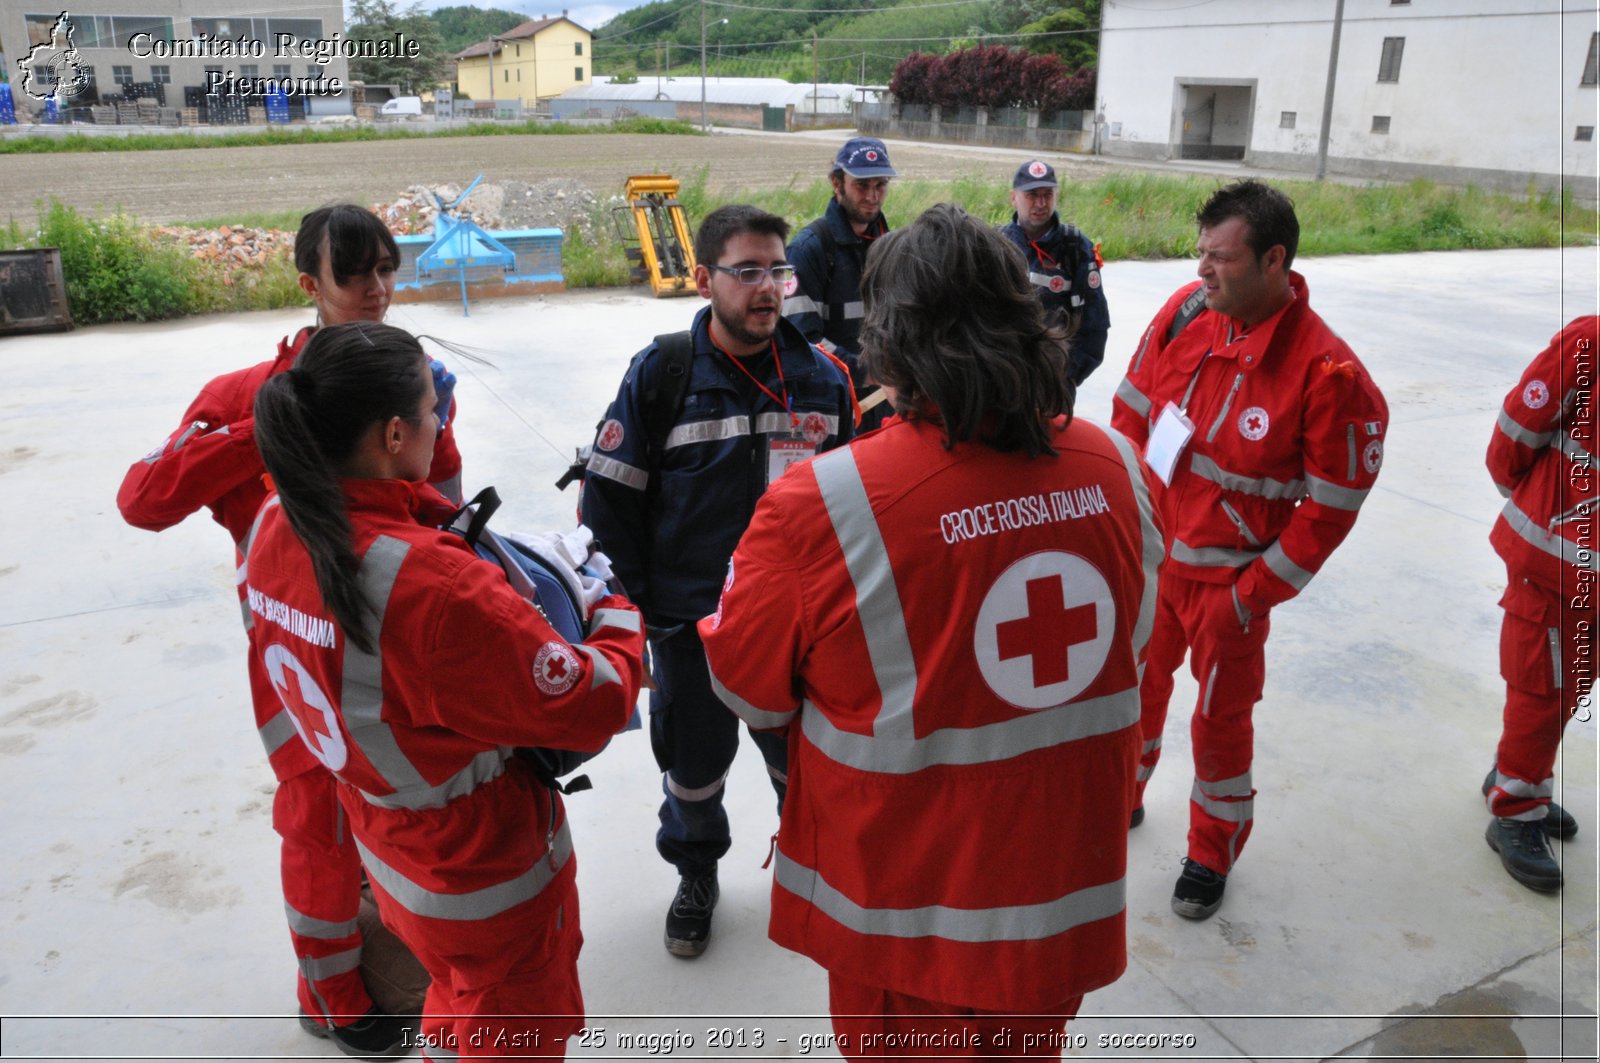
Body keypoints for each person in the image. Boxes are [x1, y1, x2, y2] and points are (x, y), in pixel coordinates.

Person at [700, 203, 1162, 1059]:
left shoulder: (824, 504)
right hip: (1060, 902)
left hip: (907, 920)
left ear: (892, 341)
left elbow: (746, 684)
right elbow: (1131, 651)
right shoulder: (1121, 468)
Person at [247, 321, 645, 1060]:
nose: (441, 422)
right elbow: (592, 701)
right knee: (512, 1026)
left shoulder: (278, 522)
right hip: (486, 873)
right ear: (394, 433)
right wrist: (615, 609)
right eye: (435, 412)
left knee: (459, 1000)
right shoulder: (432, 584)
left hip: (390, 845)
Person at [117, 204, 462, 1056]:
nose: (378, 290)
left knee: (410, 808)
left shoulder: (411, 380)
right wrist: (266, 429)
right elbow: (145, 498)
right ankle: (335, 990)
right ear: (309, 284)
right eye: (356, 275)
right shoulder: (243, 397)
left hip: (396, 642)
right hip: (294, 648)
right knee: (318, 816)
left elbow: (446, 510)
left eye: (388, 268)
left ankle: (405, 961)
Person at [580, 204, 855, 958]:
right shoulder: (662, 374)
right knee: (694, 772)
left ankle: (814, 879)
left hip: (795, 641)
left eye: (778, 270)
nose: (768, 289)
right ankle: (697, 871)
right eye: (747, 272)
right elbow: (607, 510)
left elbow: (860, 510)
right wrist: (636, 624)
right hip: (688, 632)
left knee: (805, 772)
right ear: (704, 279)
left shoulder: (825, 378)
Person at [1110, 179, 1389, 921]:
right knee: (1133, 689)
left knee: (1220, 722)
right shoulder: (1185, 315)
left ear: (1274, 261)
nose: (1202, 270)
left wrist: (1250, 593)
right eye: (1199, 253)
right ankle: (1121, 798)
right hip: (1156, 562)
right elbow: (1130, 415)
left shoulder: (1330, 376)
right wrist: (1130, 529)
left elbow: (1331, 510)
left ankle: (1211, 849)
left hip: (1231, 587)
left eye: (1219, 258)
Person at [1481, 314, 1597, 892]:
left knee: (1571, 685)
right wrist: (1535, 504)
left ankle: (1517, 774)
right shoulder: (1589, 343)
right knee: (1540, 688)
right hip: (1552, 563)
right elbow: (1513, 437)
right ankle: (1514, 813)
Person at [784, 136, 896, 431]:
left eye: (880, 185)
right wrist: (867, 370)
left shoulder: (890, 245)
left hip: (884, 402)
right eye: (862, 185)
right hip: (831, 403)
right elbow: (800, 337)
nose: (873, 196)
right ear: (837, 184)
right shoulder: (810, 249)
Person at [998, 159, 1110, 386]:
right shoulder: (996, 245)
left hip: (1053, 387)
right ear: (1013, 197)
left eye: (1047, 195)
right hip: (1003, 382)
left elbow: (1094, 327)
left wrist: (1064, 379)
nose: (1040, 203)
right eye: (1031, 195)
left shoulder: (1076, 248)